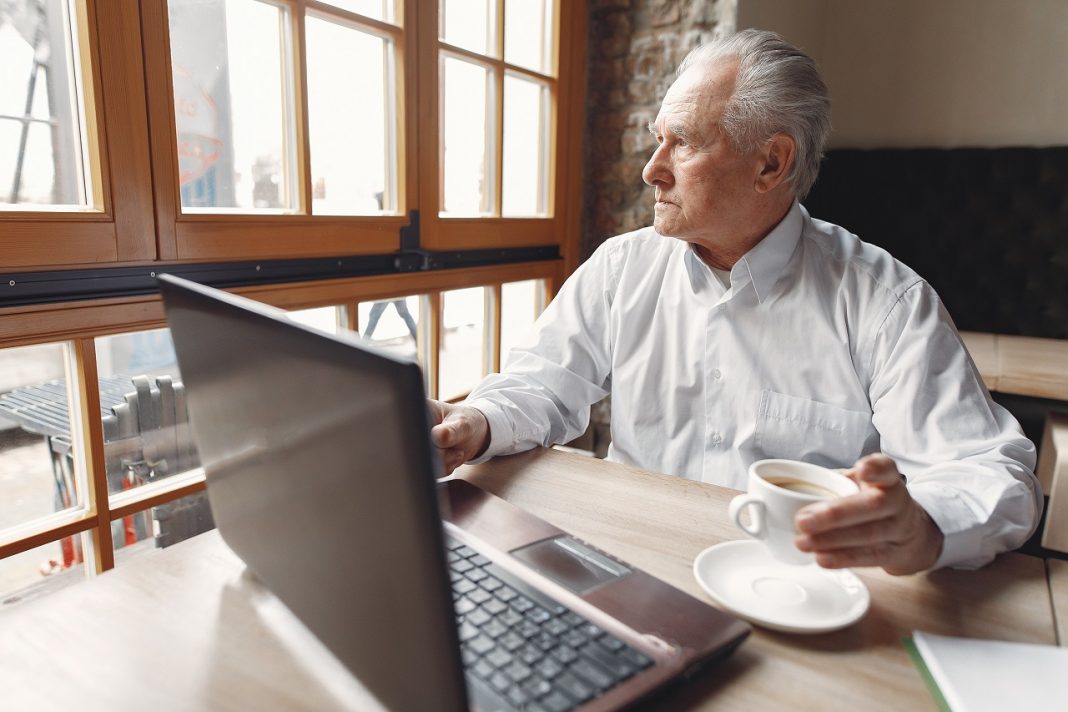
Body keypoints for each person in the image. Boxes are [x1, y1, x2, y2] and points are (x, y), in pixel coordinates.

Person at [428, 29, 1041, 575]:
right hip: (628, 561)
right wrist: (477, 424)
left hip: (796, 585)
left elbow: (990, 471)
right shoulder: (622, 267)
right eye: (656, 140)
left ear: (771, 163)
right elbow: (540, 386)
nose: (651, 171)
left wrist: (923, 527)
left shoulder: (885, 301)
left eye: (684, 143)